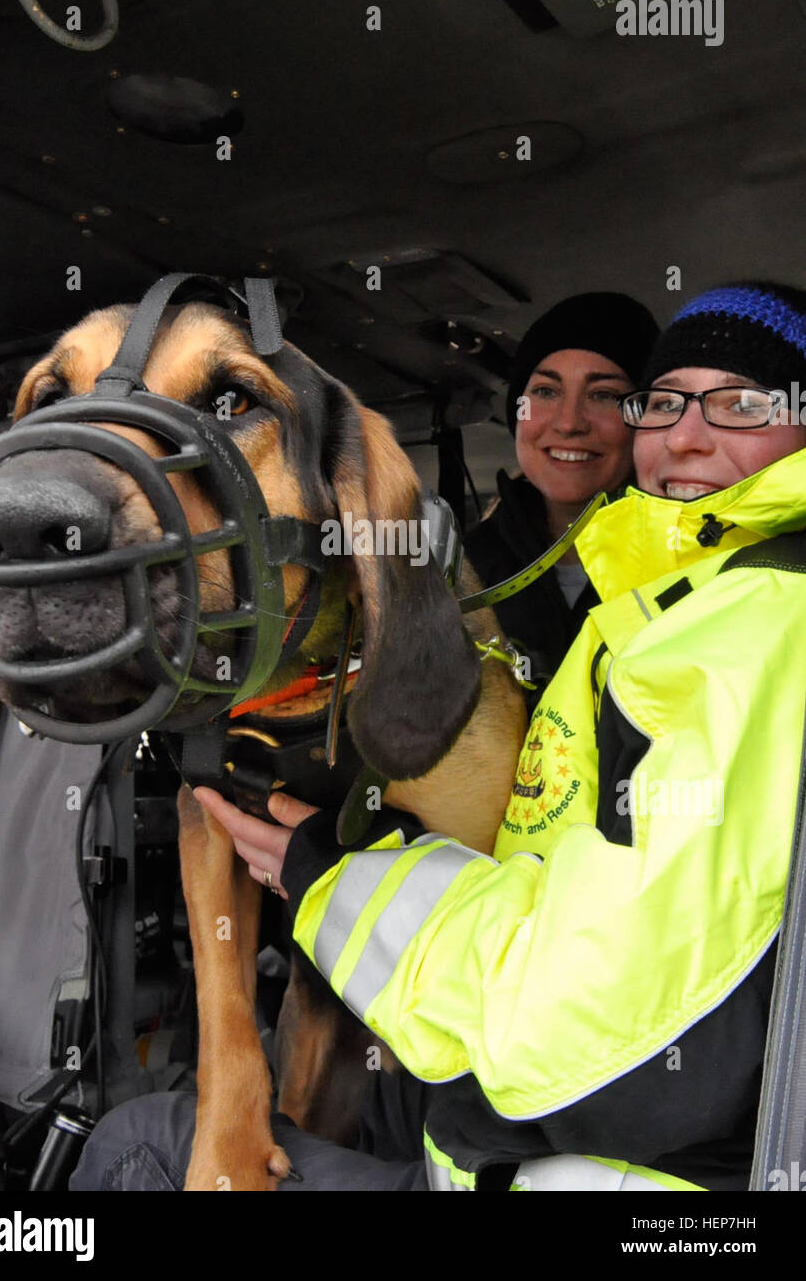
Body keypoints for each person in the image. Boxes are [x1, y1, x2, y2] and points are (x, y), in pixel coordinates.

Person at [71, 281, 806, 1192]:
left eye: (743, 405)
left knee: (133, 1149)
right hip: (486, 1094)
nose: (688, 435)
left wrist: (331, 880)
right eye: (666, 402)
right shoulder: (643, 595)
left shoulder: (753, 621)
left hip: (586, 1143)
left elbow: (602, 1028)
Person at [463, 292, 658, 682]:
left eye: (604, 395)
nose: (569, 423)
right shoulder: (463, 570)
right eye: (546, 392)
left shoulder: (690, 564)